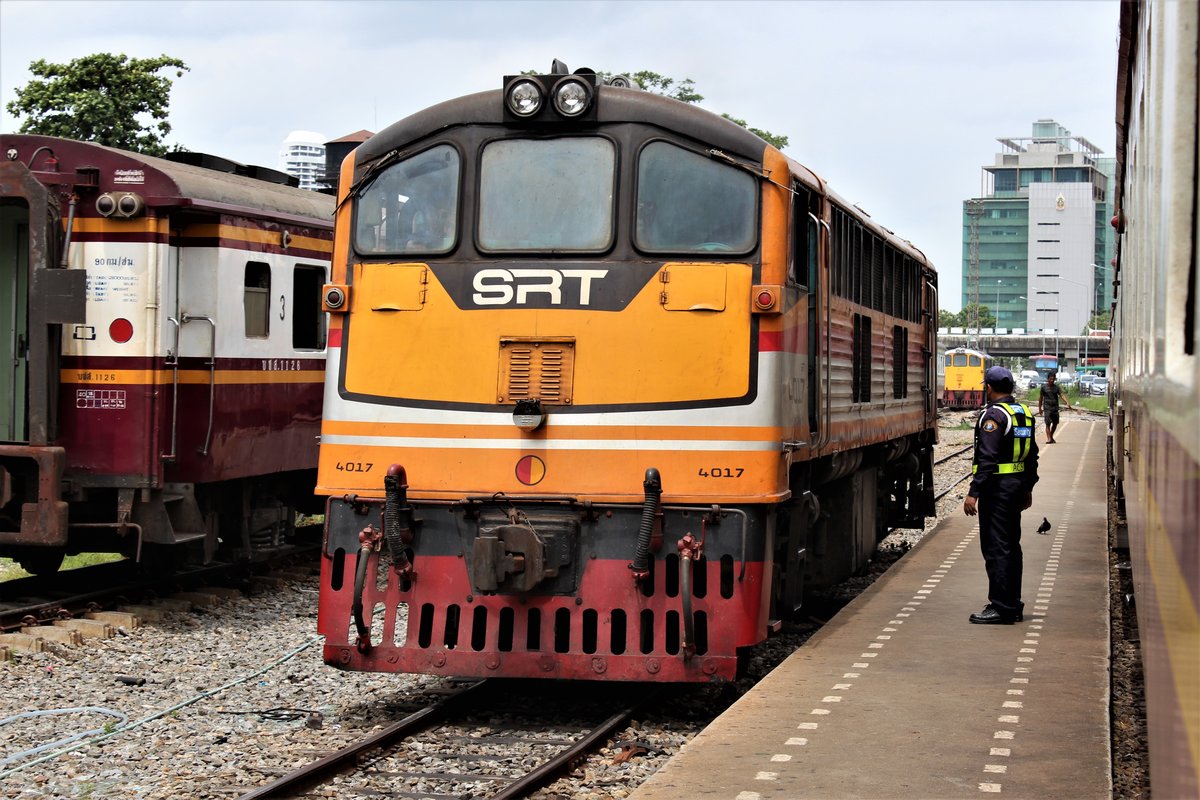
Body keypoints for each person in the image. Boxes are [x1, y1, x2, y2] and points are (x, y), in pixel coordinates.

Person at [963, 365, 1040, 624]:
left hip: (997, 491)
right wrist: (1028, 486)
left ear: (989, 388)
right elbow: (1032, 456)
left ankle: (1001, 607)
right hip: (1016, 488)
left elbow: (987, 458)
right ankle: (1012, 603)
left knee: (996, 548)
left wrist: (974, 492)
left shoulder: (994, 416)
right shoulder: (1023, 414)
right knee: (1011, 547)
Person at [1037, 372, 1071, 444]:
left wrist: (1066, 402)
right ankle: (1049, 439)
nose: (1052, 380)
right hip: (1047, 408)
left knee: (1055, 423)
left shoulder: (1056, 387)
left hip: (1055, 408)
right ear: (1048, 379)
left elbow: (1062, 395)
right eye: (1050, 379)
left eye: (1053, 379)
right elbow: (1040, 399)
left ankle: (1051, 437)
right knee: (1048, 423)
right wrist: (1040, 408)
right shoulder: (1043, 387)